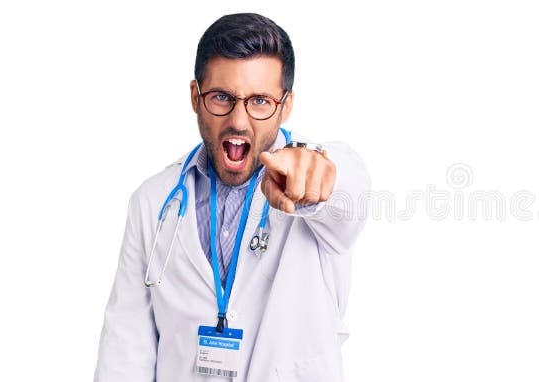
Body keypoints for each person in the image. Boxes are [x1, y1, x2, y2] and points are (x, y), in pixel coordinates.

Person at [94, 13, 369, 381]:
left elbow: (346, 190)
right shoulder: (151, 202)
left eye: (259, 101)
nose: (239, 120)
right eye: (221, 97)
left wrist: (321, 175)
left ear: (285, 105)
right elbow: (124, 353)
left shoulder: (313, 187)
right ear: (195, 97)